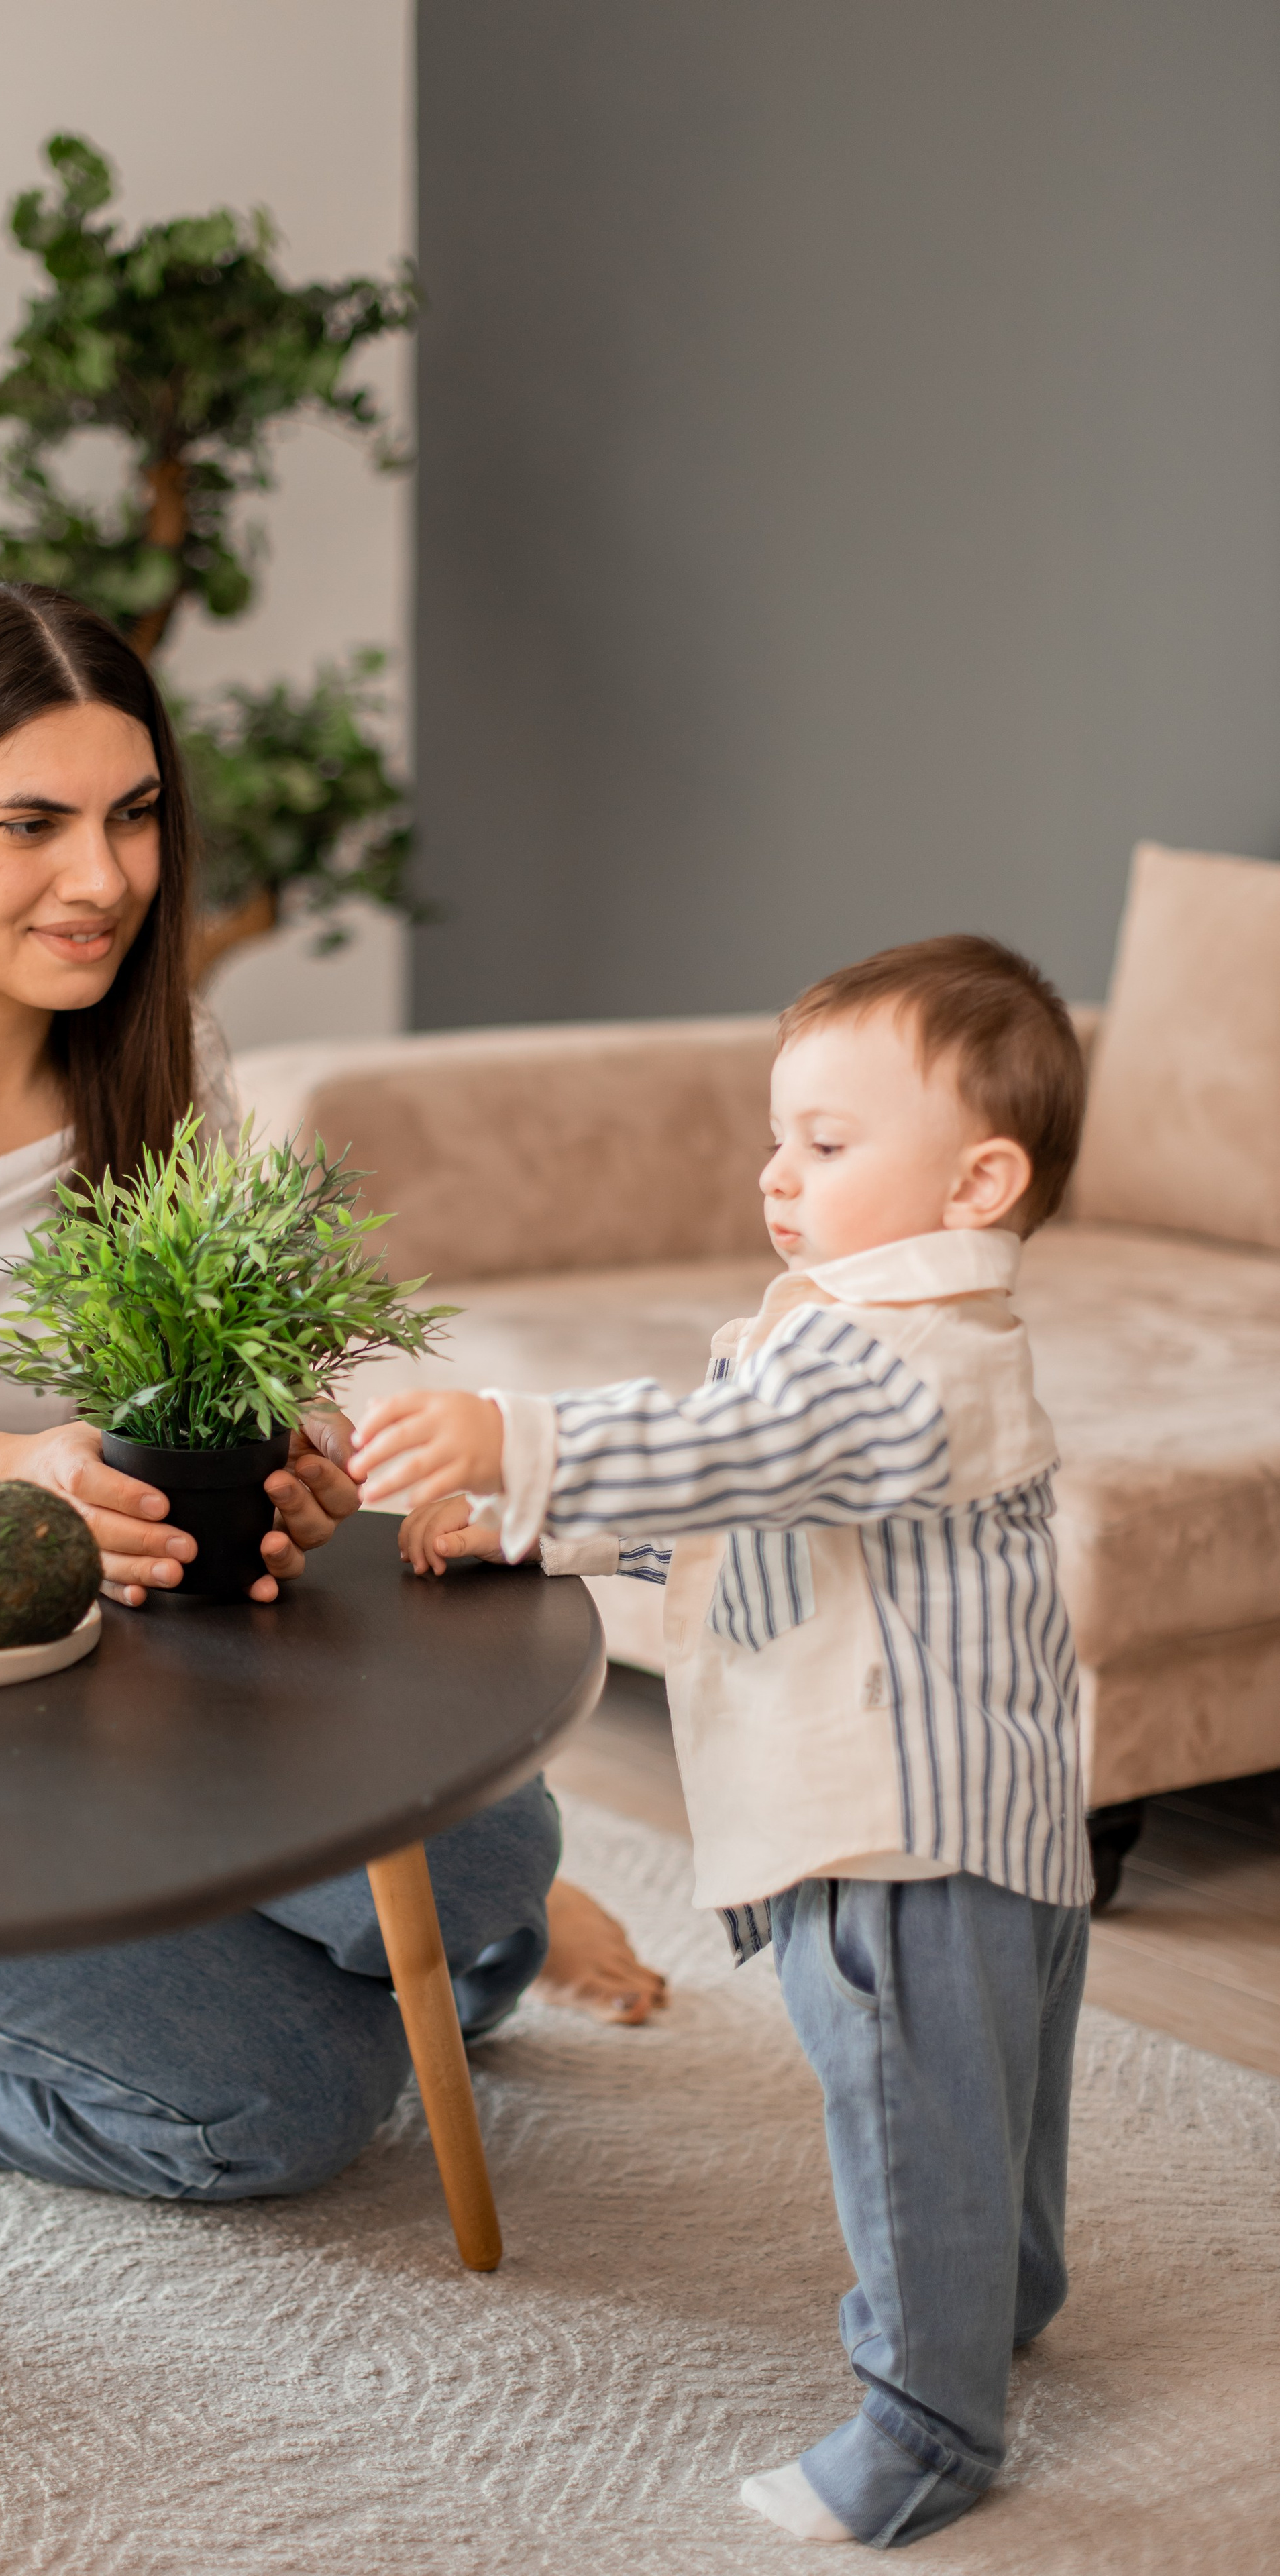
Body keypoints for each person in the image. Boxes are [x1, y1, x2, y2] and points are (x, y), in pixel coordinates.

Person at [0, 582, 661, 2201]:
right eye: (30, 825)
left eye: (134, 816)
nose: (103, 879)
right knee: (285, 2107)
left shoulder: (162, 1051)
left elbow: (211, 1383)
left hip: (79, 1673)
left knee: (489, 1859)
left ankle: (349, 1953)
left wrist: (274, 1463)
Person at [352, 936, 1092, 2551]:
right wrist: (533, 1536)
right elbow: (753, 1526)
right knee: (988, 2097)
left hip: (899, 1830)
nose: (777, 1176)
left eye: (826, 1146)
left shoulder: (907, 1357)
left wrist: (519, 1434)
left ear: (976, 1181)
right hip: (997, 1809)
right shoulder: (856, 1338)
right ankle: (1001, 2289)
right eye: (778, 1139)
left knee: (903, 2101)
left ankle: (925, 2427)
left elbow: (730, 1450)